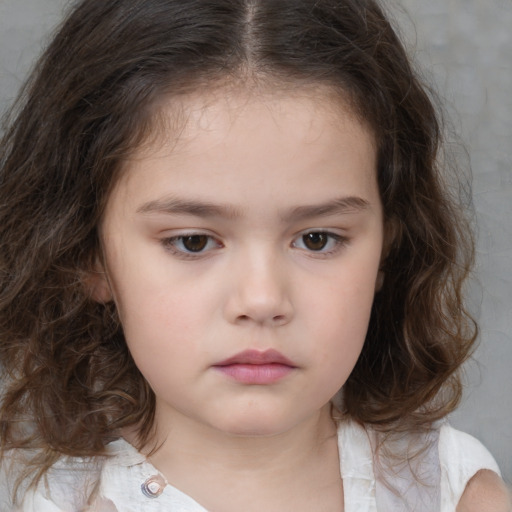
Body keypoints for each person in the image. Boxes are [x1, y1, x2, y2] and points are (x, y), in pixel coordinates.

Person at [0, 0, 510, 510]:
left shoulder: (448, 490)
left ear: (386, 249)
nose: (262, 300)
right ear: (89, 255)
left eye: (317, 239)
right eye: (193, 241)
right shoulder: (30, 497)